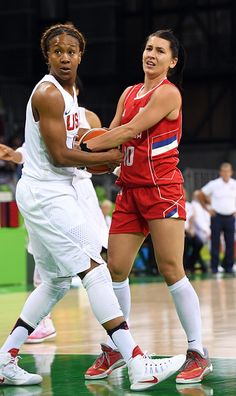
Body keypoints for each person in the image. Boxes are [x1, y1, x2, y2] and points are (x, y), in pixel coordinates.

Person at [0, 23, 185, 391]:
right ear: (48, 56)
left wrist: (109, 158)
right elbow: (60, 154)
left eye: (71, 51)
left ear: (81, 55)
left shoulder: (72, 96)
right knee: (97, 269)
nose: (65, 56)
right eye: (57, 51)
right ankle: (136, 361)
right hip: (46, 193)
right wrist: (118, 156)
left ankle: (6, 359)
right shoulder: (49, 95)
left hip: (55, 189)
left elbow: (74, 150)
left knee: (54, 281)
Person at [82, 29, 213, 384]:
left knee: (171, 269)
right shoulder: (129, 92)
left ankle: (197, 351)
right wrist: (96, 153)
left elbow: (129, 131)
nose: (150, 54)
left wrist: (80, 148)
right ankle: (117, 348)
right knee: (116, 270)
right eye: (147, 48)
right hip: (129, 190)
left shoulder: (168, 92)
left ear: (172, 61)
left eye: (159, 51)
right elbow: (113, 132)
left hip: (161, 189)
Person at [0, 106, 109, 343]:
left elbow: (100, 150)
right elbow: (30, 152)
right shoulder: (49, 112)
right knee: (47, 262)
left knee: (99, 254)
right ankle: (42, 321)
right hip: (51, 191)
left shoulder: (89, 116)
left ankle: (117, 323)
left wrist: (112, 162)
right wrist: (13, 155)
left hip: (80, 189)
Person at [197, 162, 236, 274]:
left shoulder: (234, 184)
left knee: (229, 242)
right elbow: (200, 194)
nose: (226, 173)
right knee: (215, 242)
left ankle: (228, 266)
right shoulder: (214, 184)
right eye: (224, 171)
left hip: (230, 217)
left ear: (231, 172)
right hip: (217, 216)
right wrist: (207, 209)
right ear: (220, 172)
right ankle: (214, 267)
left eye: (228, 171)